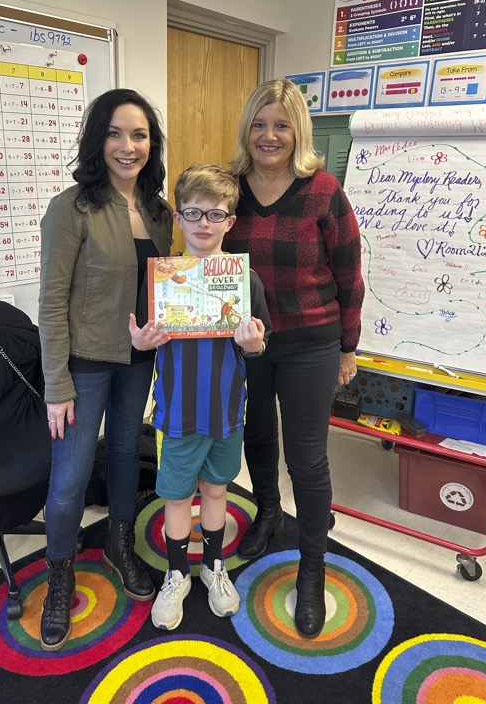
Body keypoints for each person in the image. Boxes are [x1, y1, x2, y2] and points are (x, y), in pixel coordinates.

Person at [222, 78, 364, 639]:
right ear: (246, 130)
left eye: (281, 124)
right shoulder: (229, 188)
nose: (269, 135)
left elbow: (350, 275)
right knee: (256, 436)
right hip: (246, 342)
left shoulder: (323, 189)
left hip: (311, 340)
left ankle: (312, 566)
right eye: (259, 123)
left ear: (298, 131)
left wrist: (348, 348)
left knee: (307, 459)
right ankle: (266, 512)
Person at [37, 88, 173, 651]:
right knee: (68, 478)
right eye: (115, 133)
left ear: (151, 144)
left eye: (139, 135)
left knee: (123, 452)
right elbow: (51, 300)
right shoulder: (72, 207)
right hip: (84, 364)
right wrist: (56, 383)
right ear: (98, 140)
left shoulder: (162, 211)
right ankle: (59, 573)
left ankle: (118, 543)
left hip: (140, 359)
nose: (128, 146)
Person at [129, 163, 271, 631]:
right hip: (179, 413)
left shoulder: (246, 281)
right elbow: (142, 340)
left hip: (228, 411)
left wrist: (253, 345)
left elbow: (258, 347)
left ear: (231, 221)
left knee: (216, 491)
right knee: (176, 497)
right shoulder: (159, 279)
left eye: (215, 214)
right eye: (193, 213)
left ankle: (213, 567)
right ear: (178, 217)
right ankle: (176, 574)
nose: (204, 224)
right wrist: (140, 343)